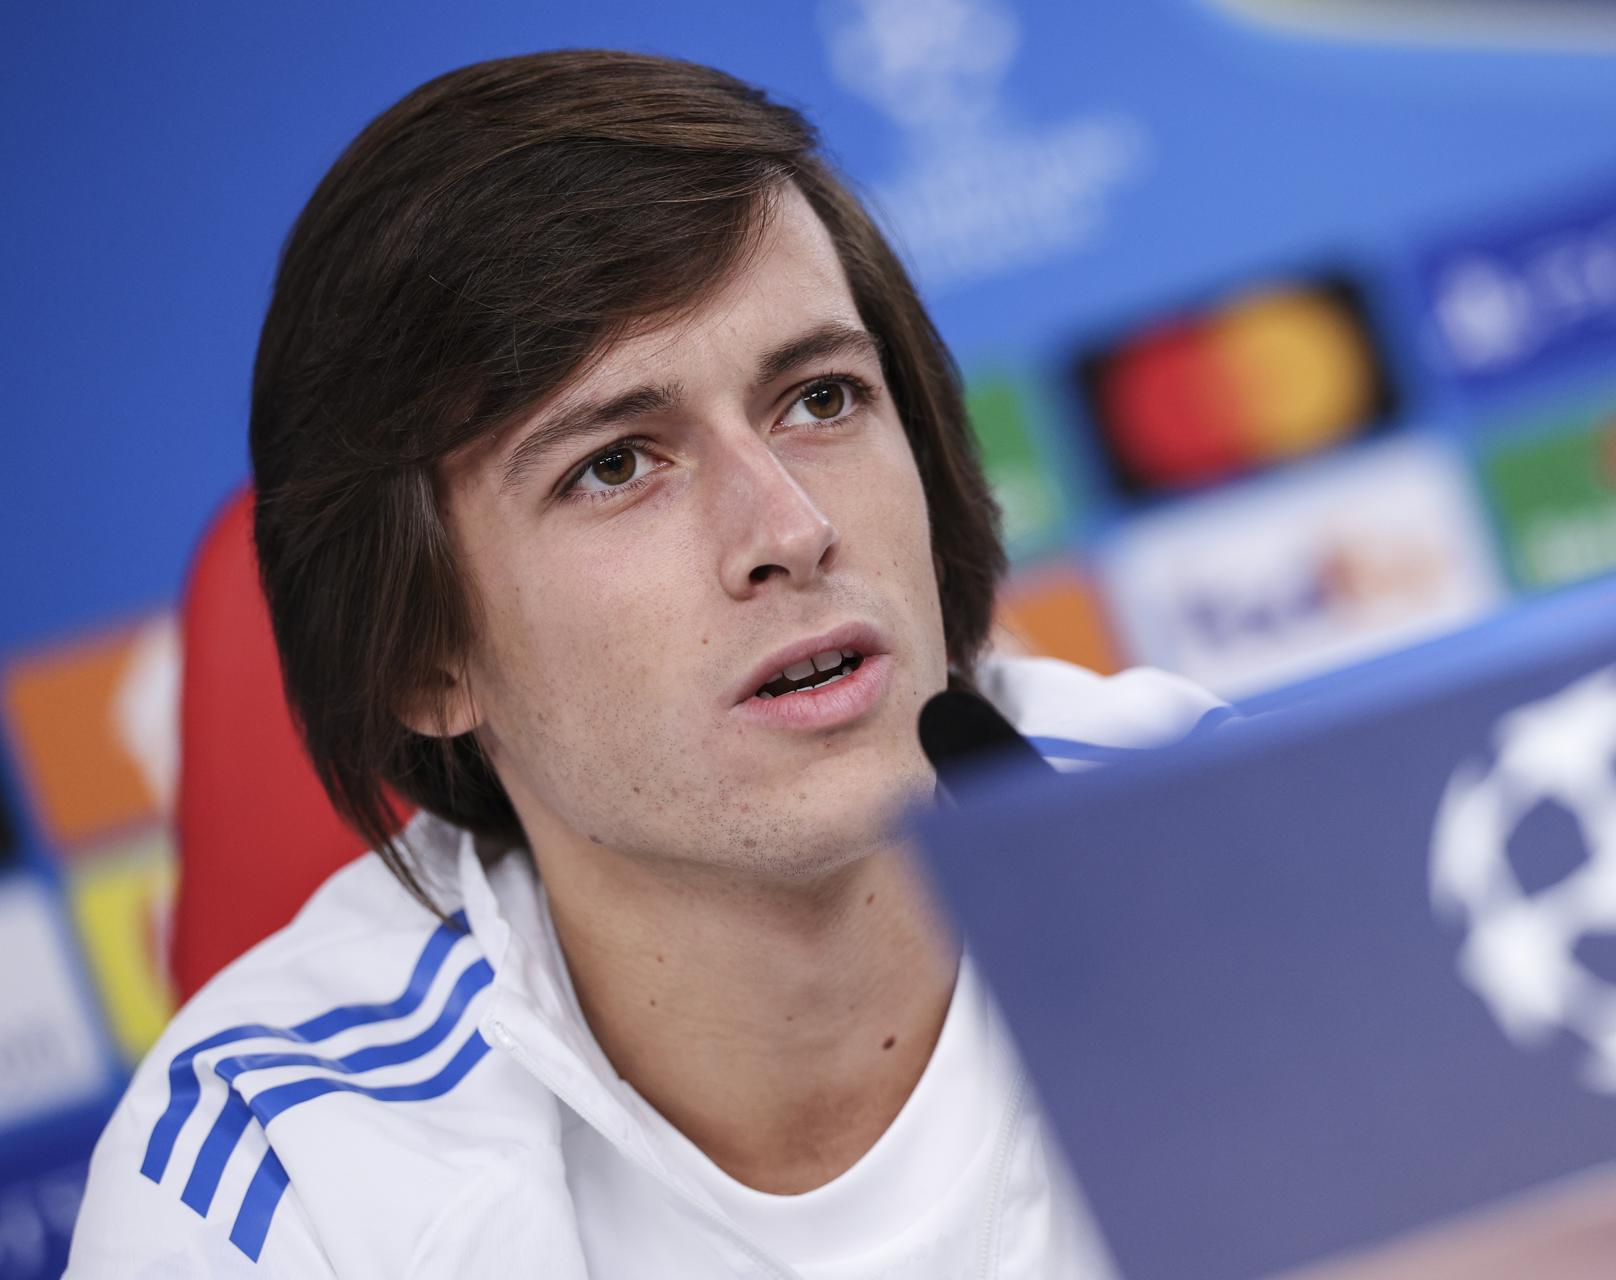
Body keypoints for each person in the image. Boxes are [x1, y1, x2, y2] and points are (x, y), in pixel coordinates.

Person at [68, 49, 1225, 1278]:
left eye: (821, 398)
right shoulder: (280, 1183)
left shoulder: (1253, 857)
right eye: (616, 464)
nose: (788, 528)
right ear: (422, 656)